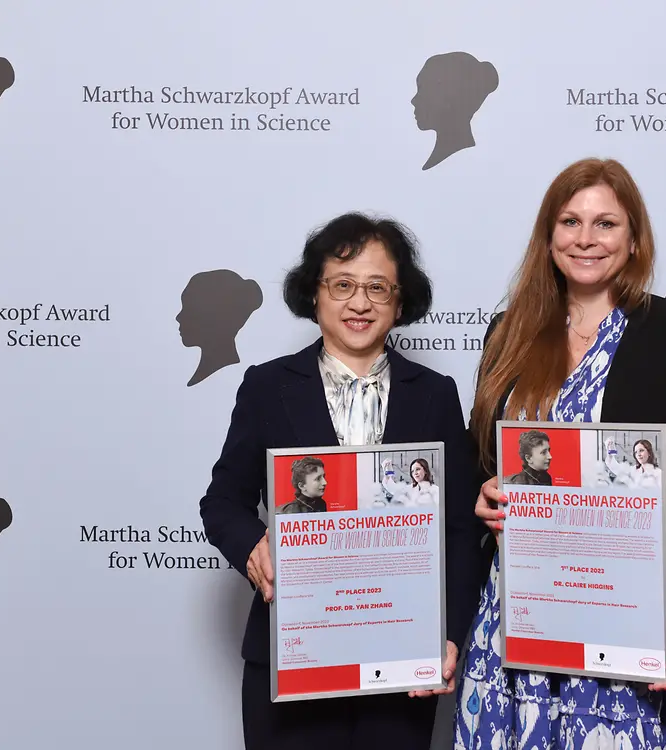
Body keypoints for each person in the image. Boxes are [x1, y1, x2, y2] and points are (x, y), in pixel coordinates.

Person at [453, 157, 666, 749]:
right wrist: (482, 494)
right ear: (548, 236)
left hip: (634, 610)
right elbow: (483, 460)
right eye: (569, 221)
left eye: (605, 223)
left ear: (634, 238)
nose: (585, 239)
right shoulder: (509, 331)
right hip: (522, 610)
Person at [198, 212, 483, 750]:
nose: (360, 303)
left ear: (400, 303)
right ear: (315, 295)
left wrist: (449, 634)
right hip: (291, 654)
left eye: (378, 287)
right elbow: (223, 502)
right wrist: (253, 546)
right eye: (343, 284)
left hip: (400, 659)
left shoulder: (435, 394)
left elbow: (462, 530)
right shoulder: (266, 386)